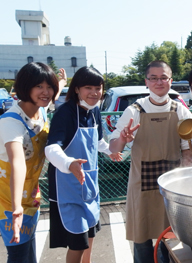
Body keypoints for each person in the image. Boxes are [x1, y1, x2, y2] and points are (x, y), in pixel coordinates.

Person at [109, 60, 192, 263]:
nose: (159, 82)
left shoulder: (180, 110)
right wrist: (123, 138)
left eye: (163, 77)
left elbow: (187, 150)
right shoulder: (134, 110)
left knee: (171, 237)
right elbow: (114, 148)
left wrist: (187, 182)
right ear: (146, 81)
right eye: (153, 78)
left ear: (170, 80)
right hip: (142, 185)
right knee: (142, 238)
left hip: (171, 185)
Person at [44, 66, 122, 263]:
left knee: (90, 235)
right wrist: (69, 163)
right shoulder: (66, 112)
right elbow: (51, 148)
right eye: (88, 88)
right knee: (77, 244)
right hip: (67, 188)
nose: (95, 93)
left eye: (98, 88)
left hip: (89, 186)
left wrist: (110, 151)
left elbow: (97, 142)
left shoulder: (94, 110)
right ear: (77, 89)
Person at [0, 62, 66, 263]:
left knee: (30, 251)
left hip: (31, 195)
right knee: (19, 255)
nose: (46, 92)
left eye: (49, 86)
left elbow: (52, 96)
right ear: (26, 87)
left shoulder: (41, 109)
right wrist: (17, 207)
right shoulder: (11, 122)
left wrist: (61, 82)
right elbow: (17, 162)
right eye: (39, 86)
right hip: (9, 201)